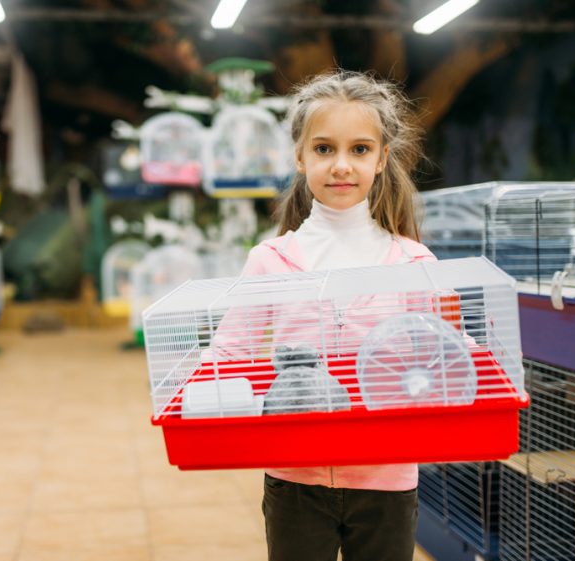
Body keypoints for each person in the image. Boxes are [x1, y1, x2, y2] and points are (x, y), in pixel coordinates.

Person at [242, 70, 435, 561]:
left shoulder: (414, 263)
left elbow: (439, 360)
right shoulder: (269, 259)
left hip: (388, 478)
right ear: (300, 156)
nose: (341, 165)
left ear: (383, 157)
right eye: (324, 149)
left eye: (360, 149)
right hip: (294, 479)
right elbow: (231, 356)